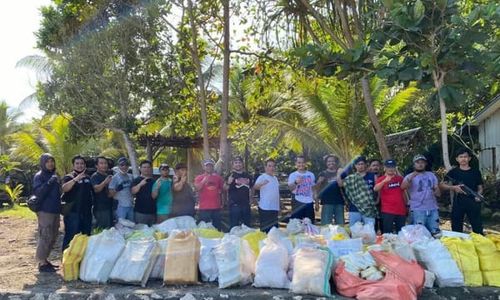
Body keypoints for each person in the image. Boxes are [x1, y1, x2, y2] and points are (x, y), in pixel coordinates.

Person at [440, 148, 484, 234]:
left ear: (469, 158)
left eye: (465, 156)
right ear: (457, 159)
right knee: (456, 229)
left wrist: (479, 195)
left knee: (478, 228)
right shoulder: (453, 172)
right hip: (458, 202)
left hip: (473, 202)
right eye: (461, 157)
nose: (463, 159)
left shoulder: (475, 172)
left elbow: (480, 187)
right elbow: (442, 185)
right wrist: (453, 188)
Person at [33, 153, 61, 272]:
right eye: (47, 162)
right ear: (43, 163)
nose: (50, 164)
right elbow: (38, 192)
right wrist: (49, 182)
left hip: (55, 210)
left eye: (52, 161)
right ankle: (41, 262)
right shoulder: (39, 176)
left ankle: (45, 259)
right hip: (45, 210)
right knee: (45, 235)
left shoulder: (54, 175)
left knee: (53, 236)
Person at [401, 154, 441, 235]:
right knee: (419, 235)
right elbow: (402, 187)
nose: (420, 164)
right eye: (417, 162)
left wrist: (436, 189)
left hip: (433, 208)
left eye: (422, 162)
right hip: (417, 209)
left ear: (425, 164)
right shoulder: (409, 176)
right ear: (414, 164)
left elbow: (438, 194)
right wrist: (412, 175)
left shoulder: (431, 175)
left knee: (435, 233)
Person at [61, 155, 94, 250]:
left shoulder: (88, 177)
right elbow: (64, 188)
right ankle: (66, 261)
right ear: (73, 165)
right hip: (72, 213)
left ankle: (81, 260)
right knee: (71, 237)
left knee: (85, 236)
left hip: (86, 213)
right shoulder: (69, 177)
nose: (80, 165)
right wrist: (76, 179)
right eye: (77, 163)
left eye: (82, 163)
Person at [338, 156, 378, 227]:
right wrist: (339, 174)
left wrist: (377, 200)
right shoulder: (351, 178)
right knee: (354, 231)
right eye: (358, 164)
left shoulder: (373, 176)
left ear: (365, 165)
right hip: (354, 208)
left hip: (369, 208)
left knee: (370, 231)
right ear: (355, 166)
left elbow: (378, 190)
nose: (360, 166)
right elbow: (340, 184)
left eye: (362, 164)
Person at [374, 159, 407, 233]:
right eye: (388, 167)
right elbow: (375, 188)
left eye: (392, 167)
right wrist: (384, 181)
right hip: (387, 211)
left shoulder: (400, 178)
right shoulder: (381, 179)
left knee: (401, 233)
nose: (390, 169)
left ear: (395, 168)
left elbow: (404, 192)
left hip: (401, 210)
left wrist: (407, 205)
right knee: (387, 233)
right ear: (385, 168)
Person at [194, 159, 224, 230]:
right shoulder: (199, 177)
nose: (209, 167)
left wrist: (223, 202)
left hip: (216, 207)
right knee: (205, 228)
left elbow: (223, 190)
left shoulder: (218, 177)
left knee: (217, 228)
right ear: (204, 167)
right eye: (207, 166)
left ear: (213, 167)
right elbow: (197, 188)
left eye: (210, 166)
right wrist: (204, 180)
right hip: (204, 208)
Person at [224, 156, 253, 228]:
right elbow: (224, 188)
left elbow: (252, 187)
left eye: (239, 162)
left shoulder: (248, 175)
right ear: (233, 165)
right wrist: (228, 182)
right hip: (234, 205)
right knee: (234, 227)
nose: (238, 164)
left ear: (242, 164)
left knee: (247, 227)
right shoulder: (230, 175)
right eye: (236, 163)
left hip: (246, 205)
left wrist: (252, 198)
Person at [316, 155, 345, 225]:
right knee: (326, 225)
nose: (331, 163)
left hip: (339, 202)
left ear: (336, 162)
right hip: (327, 202)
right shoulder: (322, 173)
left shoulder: (340, 172)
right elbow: (317, 188)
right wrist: (316, 202)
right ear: (326, 163)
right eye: (329, 161)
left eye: (333, 161)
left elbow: (344, 186)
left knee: (340, 224)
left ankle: (341, 236)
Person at [254, 159, 280, 232]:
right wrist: (262, 183)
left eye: (273, 166)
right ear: (265, 167)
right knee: (265, 230)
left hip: (274, 208)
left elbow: (277, 193)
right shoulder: (262, 176)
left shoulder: (275, 178)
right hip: (265, 208)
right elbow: (255, 187)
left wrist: (280, 206)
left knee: (274, 231)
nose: (272, 168)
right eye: (269, 166)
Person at [288, 155, 316, 221]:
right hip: (297, 202)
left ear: (306, 163)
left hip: (309, 202)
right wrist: (296, 182)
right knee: (297, 224)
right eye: (299, 162)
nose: (301, 164)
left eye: (303, 162)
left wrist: (316, 202)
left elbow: (313, 189)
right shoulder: (293, 175)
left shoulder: (311, 175)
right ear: (296, 164)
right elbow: (290, 189)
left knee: (309, 224)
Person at [90, 156, 113, 229]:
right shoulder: (95, 176)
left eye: (105, 163)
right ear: (96, 165)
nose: (104, 165)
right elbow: (96, 189)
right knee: (102, 231)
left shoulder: (107, 175)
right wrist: (105, 182)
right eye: (101, 163)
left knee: (109, 229)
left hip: (110, 206)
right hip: (100, 208)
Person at [109, 157, 134, 221]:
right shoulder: (115, 178)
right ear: (118, 166)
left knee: (131, 226)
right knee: (120, 227)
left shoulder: (131, 176)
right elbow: (110, 194)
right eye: (122, 165)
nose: (124, 167)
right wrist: (116, 189)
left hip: (130, 206)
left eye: (126, 165)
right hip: (120, 207)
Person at [131, 160, 156, 226]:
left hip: (153, 212)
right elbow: (133, 192)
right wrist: (140, 184)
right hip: (140, 212)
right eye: (144, 167)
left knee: (152, 233)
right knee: (140, 233)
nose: (146, 169)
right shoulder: (136, 180)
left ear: (151, 169)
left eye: (148, 167)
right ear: (140, 168)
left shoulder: (154, 181)